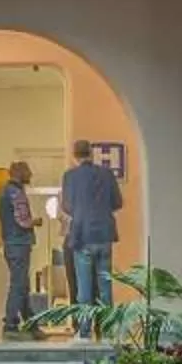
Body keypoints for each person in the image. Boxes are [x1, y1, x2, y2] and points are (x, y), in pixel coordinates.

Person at [58, 140, 122, 329]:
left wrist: (81, 210)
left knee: (84, 289)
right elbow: (117, 202)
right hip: (104, 235)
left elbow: (67, 206)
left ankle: (84, 332)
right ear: (91, 153)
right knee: (105, 288)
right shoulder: (107, 174)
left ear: (74, 155)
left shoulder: (70, 176)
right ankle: (107, 330)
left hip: (82, 236)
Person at [0, 161, 37, 334]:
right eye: (28, 171)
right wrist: (36, 221)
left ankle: (31, 323)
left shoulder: (5, 192)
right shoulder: (16, 193)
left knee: (22, 285)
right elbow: (23, 221)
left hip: (10, 244)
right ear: (19, 172)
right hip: (19, 244)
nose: (31, 174)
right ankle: (11, 323)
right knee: (18, 285)